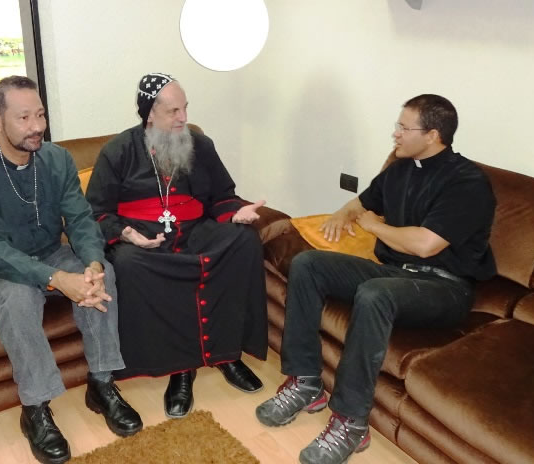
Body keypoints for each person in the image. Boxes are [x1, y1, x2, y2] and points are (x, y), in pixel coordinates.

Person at [255, 95, 496, 464]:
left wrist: (372, 225)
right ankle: (305, 382)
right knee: (308, 264)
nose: (395, 134)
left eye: (404, 127)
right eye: (397, 126)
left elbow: (426, 245)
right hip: (395, 273)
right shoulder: (400, 170)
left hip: (445, 287)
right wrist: (343, 214)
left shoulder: (467, 183)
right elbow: (363, 202)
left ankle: (351, 422)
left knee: (374, 294)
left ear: (432, 135)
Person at [0, 76, 142, 464]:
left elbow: (80, 218)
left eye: (40, 114)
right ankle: (35, 408)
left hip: (50, 252)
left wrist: (90, 262)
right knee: (20, 295)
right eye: (24, 117)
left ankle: (101, 384)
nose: (37, 126)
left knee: (103, 271)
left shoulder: (57, 159)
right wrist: (56, 279)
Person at [85, 73, 268, 419]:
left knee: (244, 242)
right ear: (149, 113)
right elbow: (95, 212)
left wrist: (236, 213)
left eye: (185, 108)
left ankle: (227, 353)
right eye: (173, 111)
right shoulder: (118, 151)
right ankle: (180, 370)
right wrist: (126, 233)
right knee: (128, 264)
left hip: (195, 229)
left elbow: (222, 196)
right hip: (143, 238)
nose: (183, 118)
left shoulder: (200, 145)